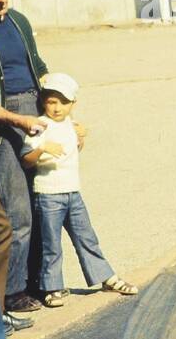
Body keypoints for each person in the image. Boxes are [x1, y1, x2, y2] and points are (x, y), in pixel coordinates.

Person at [20, 72, 137, 307]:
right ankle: (52, 287)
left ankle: (105, 276)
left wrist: (81, 139)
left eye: (63, 102)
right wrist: (41, 149)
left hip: (73, 192)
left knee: (86, 237)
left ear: (73, 103)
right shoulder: (39, 126)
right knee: (50, 244)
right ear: (44, 101)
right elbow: (26, 159)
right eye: (51, 101)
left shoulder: (73, 126)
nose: (56, 108)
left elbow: (71, 153)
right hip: (48, 194)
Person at [0, 0, 50, 318]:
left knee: (44, 199)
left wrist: (59, 109)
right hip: (3, 121)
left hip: (34, 109)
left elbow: (38, 65)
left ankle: (38, 280)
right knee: (17, 211)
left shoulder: (19, 21)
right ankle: (12, 292)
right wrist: (18, 120)